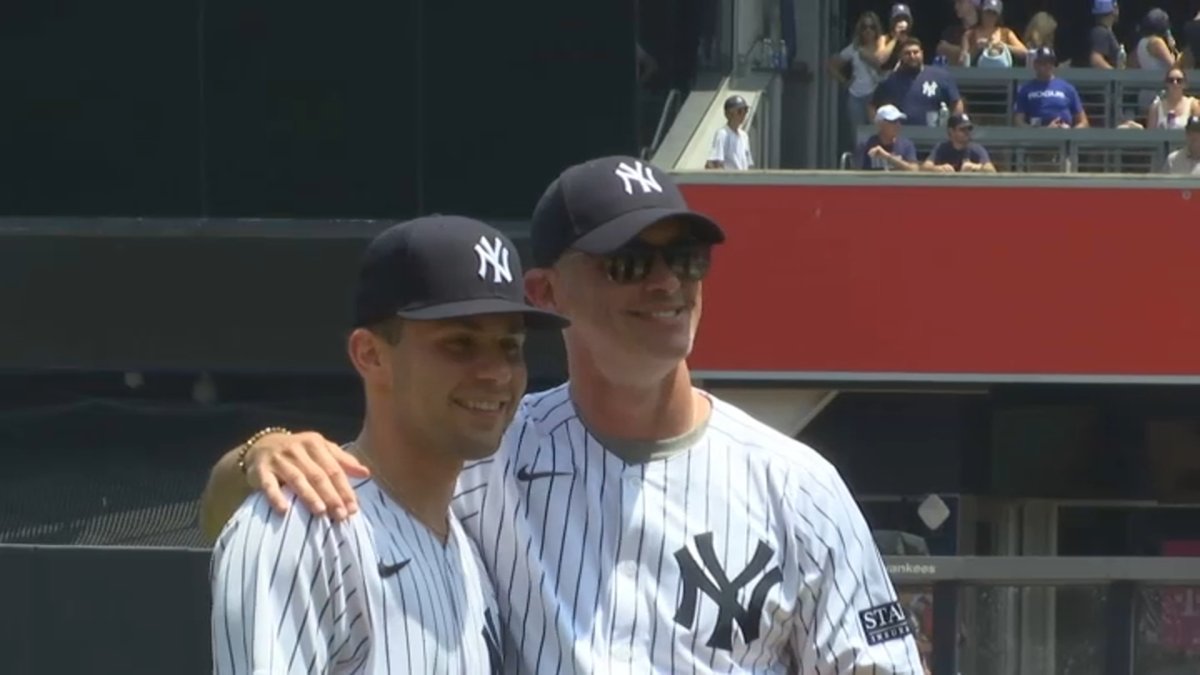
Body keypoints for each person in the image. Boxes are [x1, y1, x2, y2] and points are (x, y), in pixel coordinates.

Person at [201, 156, 926, 673]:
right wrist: (261, 451)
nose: (669, 281)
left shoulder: (798, 485)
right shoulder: (481, 461)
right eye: (629, 262)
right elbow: (291, 515)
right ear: (546, 292)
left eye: (689, 257)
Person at [209, 215, 568, 674]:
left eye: (509, 346)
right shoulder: (302, 529)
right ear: (371, 355)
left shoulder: (467, 549)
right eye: (459, 344)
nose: (496, 372)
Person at [1013, 47, 1089, 128]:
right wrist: (1043, 131)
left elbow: (1083, 121)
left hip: (1065, 135)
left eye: (1051, 62)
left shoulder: (1068, 88)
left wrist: (1071, 133)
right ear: (1035, 64)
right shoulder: (1025, 89)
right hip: (1038, 135)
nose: (1048, 66)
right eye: (1043, 62)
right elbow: (1018, 122)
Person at [921, 114, 996, 173]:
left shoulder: (976, 149)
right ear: (951, 131)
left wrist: (975, 167)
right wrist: (938, 168)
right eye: (962, 129)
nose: (967, 132)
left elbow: (991, 170)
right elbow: (925, 167)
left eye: (969, 129)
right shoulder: (941, 148)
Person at [855, 105, 919, 171]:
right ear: (880, 124)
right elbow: (857, 172)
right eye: (893, 121)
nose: (898, 125)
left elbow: (914, 170)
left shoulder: (906, 145)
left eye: (899, 121)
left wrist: (887, 157)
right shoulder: (866, 145)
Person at [706, 95, 755, 170]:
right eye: (740, 111)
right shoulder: (722, 134)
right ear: (729, 114)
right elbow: (714, 162)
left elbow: (749, 164)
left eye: (745, 110)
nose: (744, 114)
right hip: (730, 180)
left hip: (743, 179)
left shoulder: (744, 136)